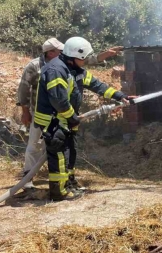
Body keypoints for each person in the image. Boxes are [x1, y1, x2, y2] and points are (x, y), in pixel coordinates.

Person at [33, 36, 136, 201]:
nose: (87, 61)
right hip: (52, 121)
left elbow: (97, 85)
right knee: (59, 156)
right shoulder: (56, 70)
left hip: (65, 120)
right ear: (74, 57)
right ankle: (59, 192)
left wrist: (120, 96)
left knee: (70, 152)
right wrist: (72, 117)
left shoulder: (75, 70)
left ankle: (69, 183)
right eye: (84, 58)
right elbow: (58, 101)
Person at [17, 38, 123, 188]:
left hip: (63, 117)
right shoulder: (45, 68)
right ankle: (30, 182)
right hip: (47, 117)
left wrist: (120, 96)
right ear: (51, 52)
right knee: (38, 146)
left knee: (65, 150)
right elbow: (53, 98)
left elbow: (94, 82)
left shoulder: (70, 67)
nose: (62, 52)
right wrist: (25, 111)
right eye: (59, 50)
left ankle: (66, 182)